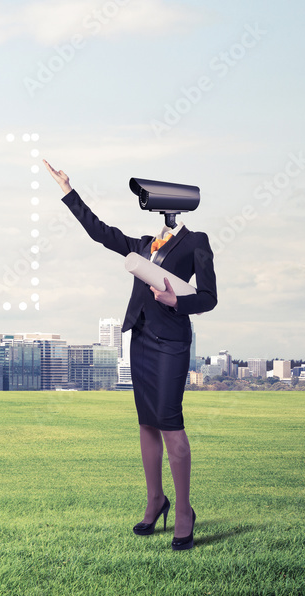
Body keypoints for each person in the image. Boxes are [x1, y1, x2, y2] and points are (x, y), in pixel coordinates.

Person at [43, 159, 217, 551]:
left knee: (171, 425)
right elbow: (99, 233)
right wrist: (69, 191)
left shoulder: (197, 242)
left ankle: (185, 510)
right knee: (147, 424)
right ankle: (156, 499)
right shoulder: (142, 244)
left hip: (171, 343)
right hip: (140, 339)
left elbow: (209, 297)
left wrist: (176, 301)